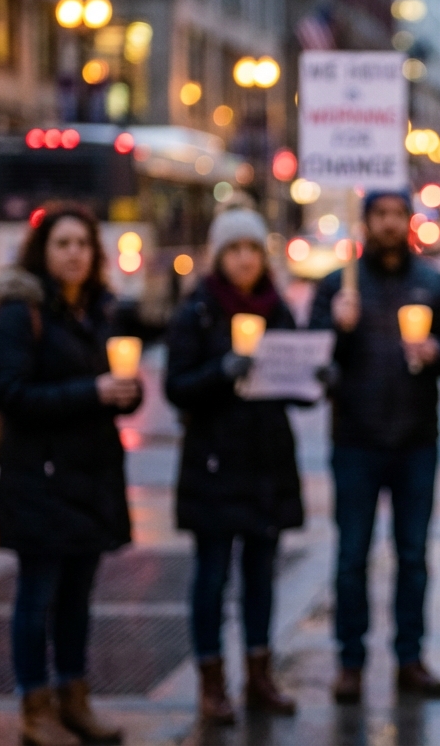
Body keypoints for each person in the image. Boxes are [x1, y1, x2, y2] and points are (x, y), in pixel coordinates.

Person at [0, 203, 140, 746]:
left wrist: (125, 391)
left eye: (83, 244)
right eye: (63, 243)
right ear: (43, 252)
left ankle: (75, 699)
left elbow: (107, 388)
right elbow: (11, 394)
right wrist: (92, 392)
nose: (74, 253)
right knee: (37, 596)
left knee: (77, 598)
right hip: (40, 477)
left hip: (89, 475)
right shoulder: (19, 312)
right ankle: (36, 707)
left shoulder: (96, 310)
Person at [310, 190, 440, 702]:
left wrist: (436, 349)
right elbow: (316, 367)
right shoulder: (338, 286)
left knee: (413, 556)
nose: (390, 224)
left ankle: (409, 657)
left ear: (409, 221)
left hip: (415, 441)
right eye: (381, 216)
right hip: (354, 440)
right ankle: (349, 661)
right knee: (352, 557)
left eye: (398, 215)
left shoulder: (433, 283)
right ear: (367, 223)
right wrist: (339, 326)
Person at [165, 207, 304, 724]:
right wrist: (220, 372)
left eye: (252, 249)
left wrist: (319, 376)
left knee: (261, 576)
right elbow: (177, 386)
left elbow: (296, 381)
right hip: (215, 464)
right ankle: (211, 681)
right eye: (234, 250)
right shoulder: (197, 311)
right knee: (211, 576)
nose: (245, 259)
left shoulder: (278, 308)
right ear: (219, 256)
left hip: (265, 460)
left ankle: (259, 674)